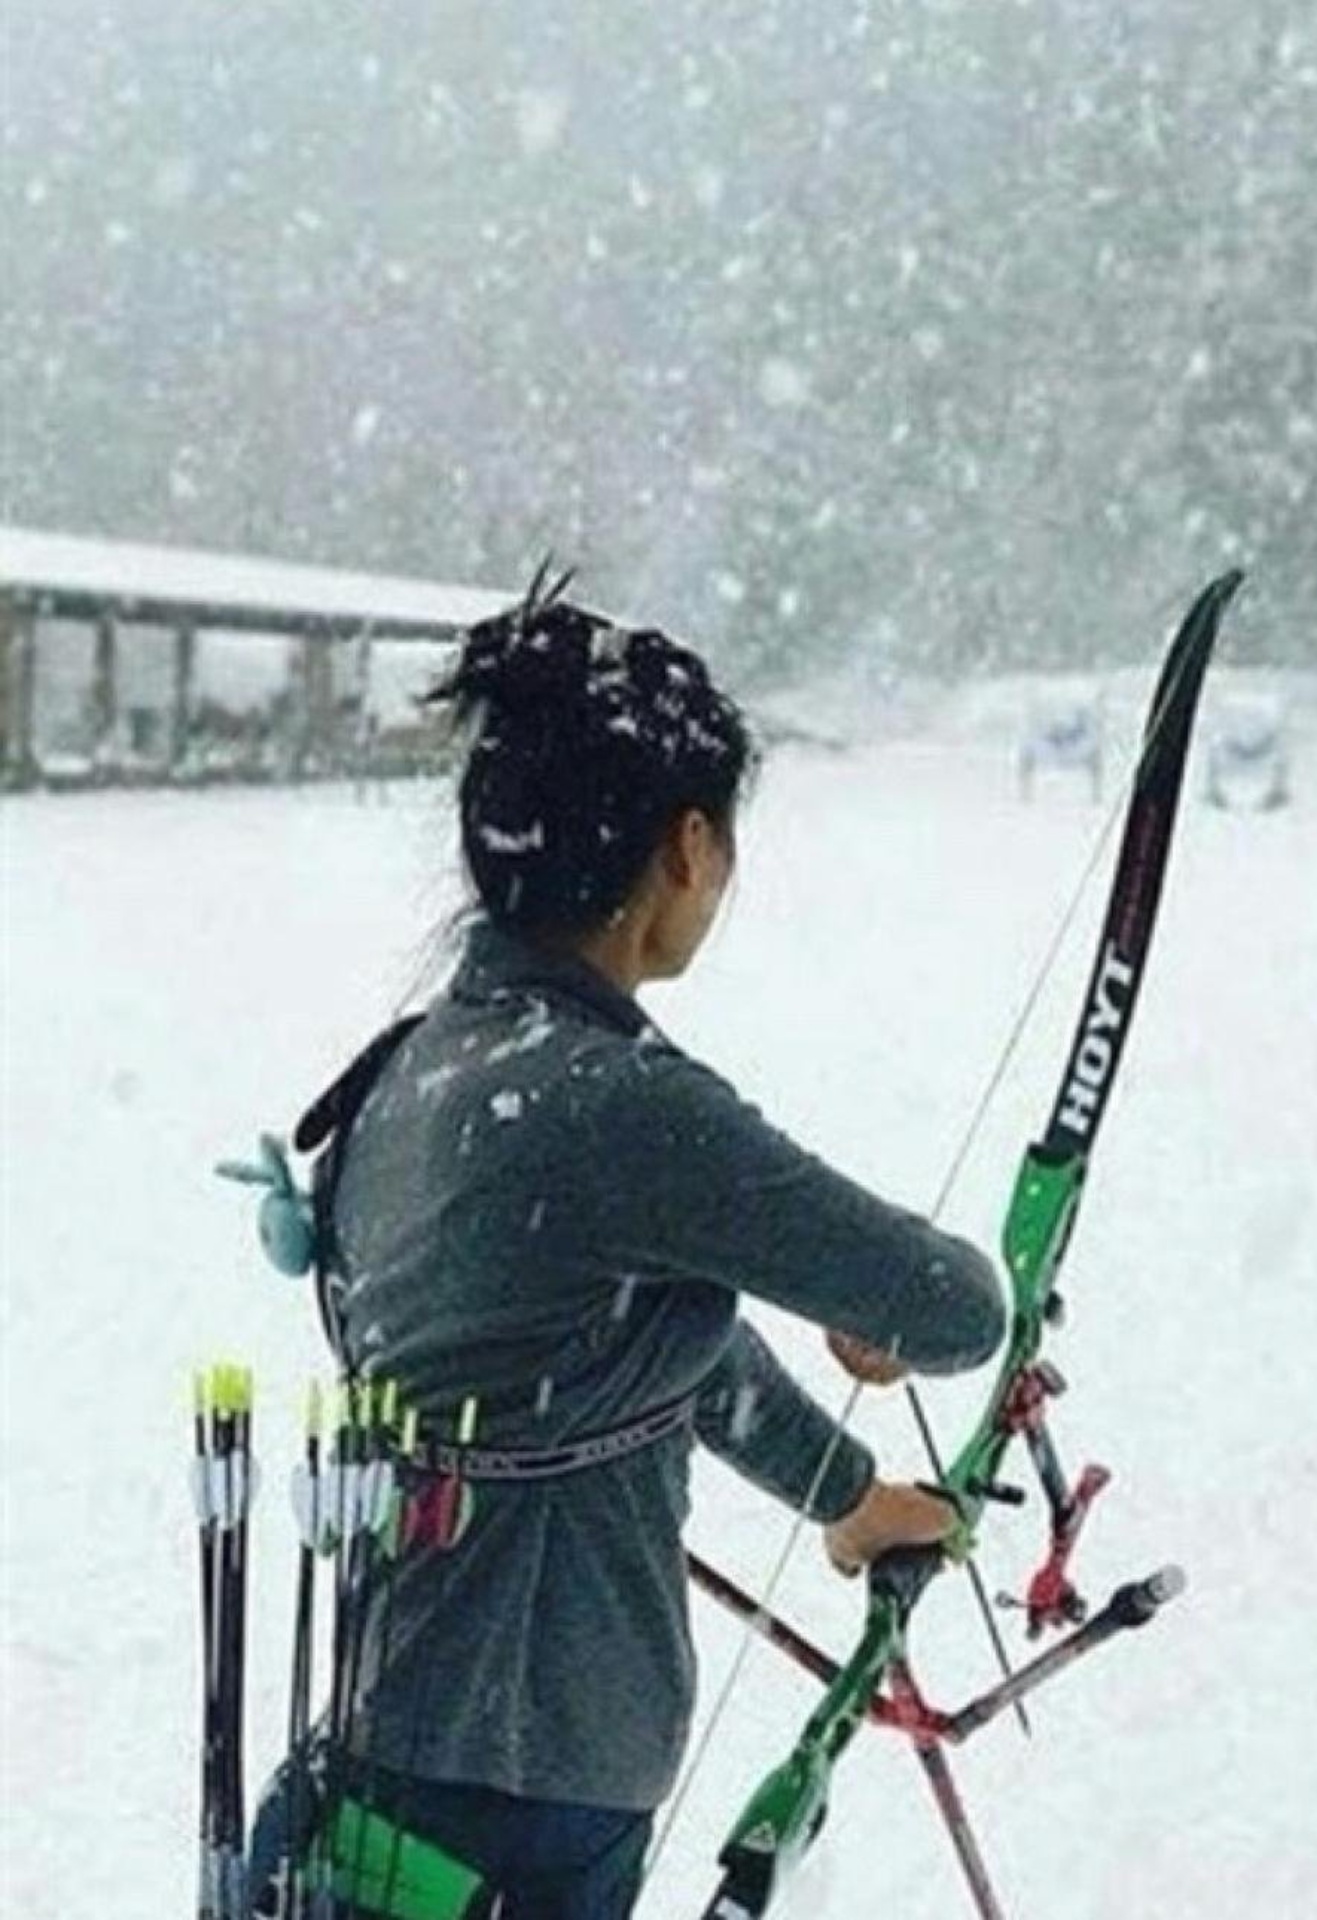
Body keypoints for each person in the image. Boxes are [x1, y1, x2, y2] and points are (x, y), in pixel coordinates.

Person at [259, 574, 1006, 1918]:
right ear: (685, 849)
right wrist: (881, 1314)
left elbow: (627, 1351)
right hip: (527, 1795)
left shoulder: (413, 1069)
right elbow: (955, 1310)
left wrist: (841, 1492)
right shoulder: (617, 1107)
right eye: (721, 841)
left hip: (378, 1755)